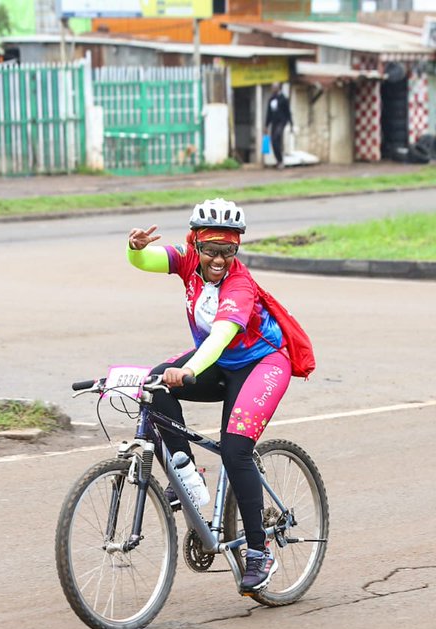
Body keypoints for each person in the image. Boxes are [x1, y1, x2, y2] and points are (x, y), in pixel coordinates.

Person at [126, 198, 295, 595]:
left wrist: (188, 371)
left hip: (261, 365)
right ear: (196, 244)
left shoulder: (240, 285)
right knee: (154, 385)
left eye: (228, 250)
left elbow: (220, 338)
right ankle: (185, 472)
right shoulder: (187, 260)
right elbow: (148, 261)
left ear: (236, 249)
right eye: (211, 250)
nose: (219, 259)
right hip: (218, 362)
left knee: (235, 449)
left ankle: (258, 553)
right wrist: (134, 249)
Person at [264, 83, 293, 169]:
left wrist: (291, 124)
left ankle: (280, 161)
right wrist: (266, 126)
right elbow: (268, 114)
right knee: (274, 142)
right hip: (274, 122)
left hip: (282, 122)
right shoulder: (271, 99)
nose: (272, 89)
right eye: (272, 87)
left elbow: (288, 112)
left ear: (278, 88)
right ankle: (279, 160)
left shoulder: (283, 99)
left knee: (276, 138)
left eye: (274, 87)